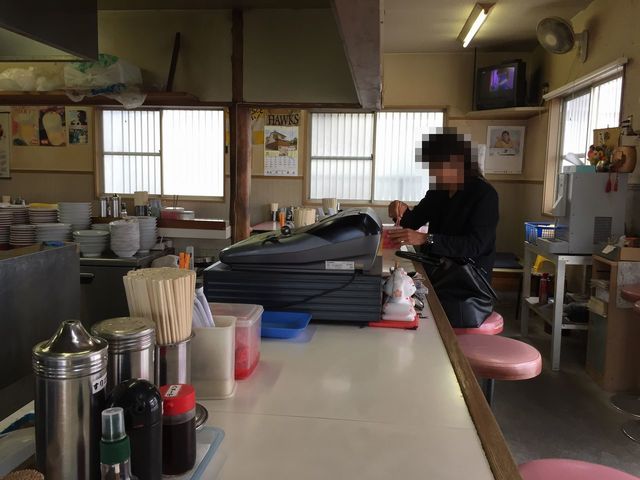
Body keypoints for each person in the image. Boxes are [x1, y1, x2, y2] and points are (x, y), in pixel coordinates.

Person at [387, 128, 499, 279]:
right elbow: (412, 222)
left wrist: (425, 238)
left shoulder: (484, 194)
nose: (432, 172)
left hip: (468, 279)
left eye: (437, 166)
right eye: (431, 166)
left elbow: (475, 245)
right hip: (436, 271)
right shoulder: (438, 191)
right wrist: (398, 209)